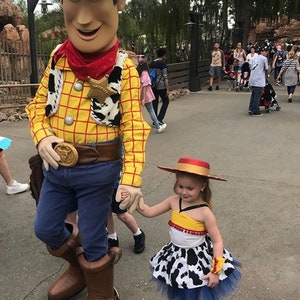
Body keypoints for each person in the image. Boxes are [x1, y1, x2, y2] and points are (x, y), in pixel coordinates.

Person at [25, 0, 150, 299]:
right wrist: (42, 137)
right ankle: (82, 269)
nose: (82, 19)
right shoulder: (59, 57)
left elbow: (133, 126)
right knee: (46, 228)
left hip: (98, 169)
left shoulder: (122, 68)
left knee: (95, 238)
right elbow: (37, 107)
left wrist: (131, 178)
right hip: (57, 167)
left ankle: (102, 292)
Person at [137, 157, 241, 300]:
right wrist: (135, 199)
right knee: (179, 289)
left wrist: (215, 271)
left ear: (202, 185)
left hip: (197, 260)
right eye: (180, 186)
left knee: (196, 293)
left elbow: (217, 242)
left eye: (190, 188)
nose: (184, 192)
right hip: (176, 256)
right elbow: (149, 212)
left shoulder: (205, 213)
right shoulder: (173, 201)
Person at [107, 184, 145, 254]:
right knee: (106, 212)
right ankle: (112, 237)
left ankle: (138, 234)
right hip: (101, 186)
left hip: (117, 187)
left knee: (122, 214)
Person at [137, 54, 167, 133]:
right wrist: (143, 98)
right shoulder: (145, 73)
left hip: (138, 93)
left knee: (140, 111)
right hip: (145, 94)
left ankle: (155, 126)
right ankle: (158, 126)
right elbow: (145, 85)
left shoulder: (137, 71)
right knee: (151, 111)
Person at [248, 46, 269, 116]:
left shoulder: (254, 58)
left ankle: (251, 108)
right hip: (259, 79)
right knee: (257, 95)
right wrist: (266, 76)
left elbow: (250, 67)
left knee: (253, 94)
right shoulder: (264, 59)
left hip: (252, 78)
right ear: (262, 52)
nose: (266, 53)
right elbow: (266, 69)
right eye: (265, 52)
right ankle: (255, 110)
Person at [150, 48, 169, 124]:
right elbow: (165, 77)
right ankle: (159, 118)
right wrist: (167, 89)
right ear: (163, 55)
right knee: (166, 101)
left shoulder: (152, 63)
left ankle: (155, 121)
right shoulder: (162, 63)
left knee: (155, 103)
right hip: (161, 86)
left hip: (153, 85)